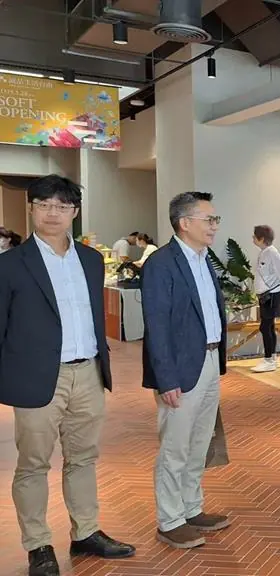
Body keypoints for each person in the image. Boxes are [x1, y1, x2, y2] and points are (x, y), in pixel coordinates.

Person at [0, 175, 135, 576]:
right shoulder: (10, 264)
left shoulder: (90, 260)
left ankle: (86, 532)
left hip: (88, 373)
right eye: (44, 205)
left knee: (83, 458)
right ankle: (38, 545)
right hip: (37, 377)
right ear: (31, 209)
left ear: (74, 212)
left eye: (61, 206)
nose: (52, 213)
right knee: (33, 464)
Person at [142, 191, 230, 550]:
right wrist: (166, 379)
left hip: (209, 360)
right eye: (209, 219)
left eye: (215, 219)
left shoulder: (204, 259)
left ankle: (191, 508)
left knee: (199, 443)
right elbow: (157, 326)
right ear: (184, 223)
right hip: (179, 369)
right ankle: (170, 520)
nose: (214, 226)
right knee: (175, 447)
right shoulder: (161, 263)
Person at [251, 225, 280, 373]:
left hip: (272, 294)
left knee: (265, 327)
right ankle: (272, 357)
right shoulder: (264, 253)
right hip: (265, 295)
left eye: (254, 236)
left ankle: (268, 360)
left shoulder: (273, 253)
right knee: (269, 326)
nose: (252, 238)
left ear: (261, 239)